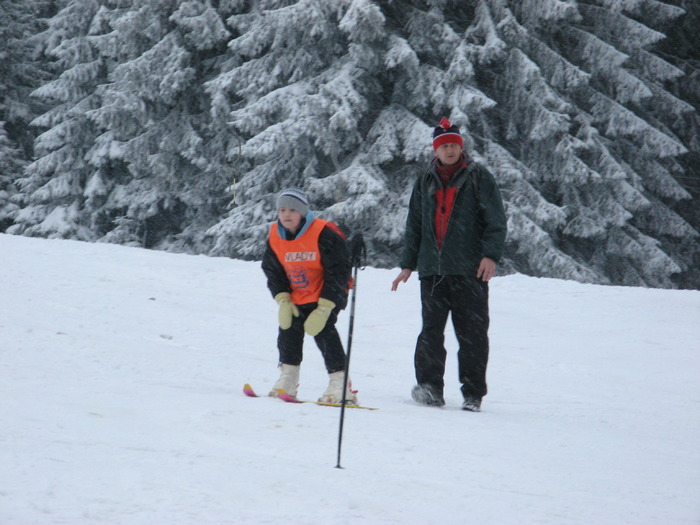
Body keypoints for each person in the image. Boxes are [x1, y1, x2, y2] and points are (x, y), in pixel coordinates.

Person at [391, 117, 507, 412]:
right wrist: (408, 264)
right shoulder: (425, 180)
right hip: (433, 271)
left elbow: (496, 221)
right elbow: (414, 224)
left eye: (454, 144)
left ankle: (473, 393)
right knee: (430, 332)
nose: (450, 150)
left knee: (472, 335)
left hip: (470, 270)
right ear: (436, 150)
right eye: (445, 146)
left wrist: (490, 255)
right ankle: (429, 387)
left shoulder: (480, 177)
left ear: (461, 146)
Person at [261, 188, 357, 404]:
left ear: (303, 212)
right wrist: (282, 298)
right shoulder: (275, 235)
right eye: (282, 210)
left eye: (292, 210)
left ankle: (340, 382)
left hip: (327, 292)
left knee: (323, 330)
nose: (286, 215)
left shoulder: (323, 233)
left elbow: (340, 269)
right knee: (288, 330)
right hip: (297, 294)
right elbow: (272, 269)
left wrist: (325, 307)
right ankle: (288, 377)